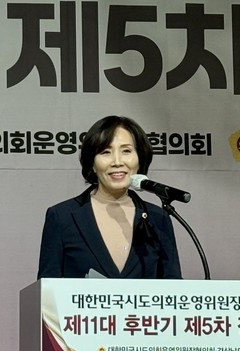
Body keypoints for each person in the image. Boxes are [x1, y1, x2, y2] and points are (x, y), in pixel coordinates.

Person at [38, 115, 181, 279]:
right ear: (92, 163)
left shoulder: (158, 218)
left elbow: (173, 285)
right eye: (106, 152)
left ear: (140, 158)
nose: (117, 162)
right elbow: (47, 289)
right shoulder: (62, 217)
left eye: (126, 151)